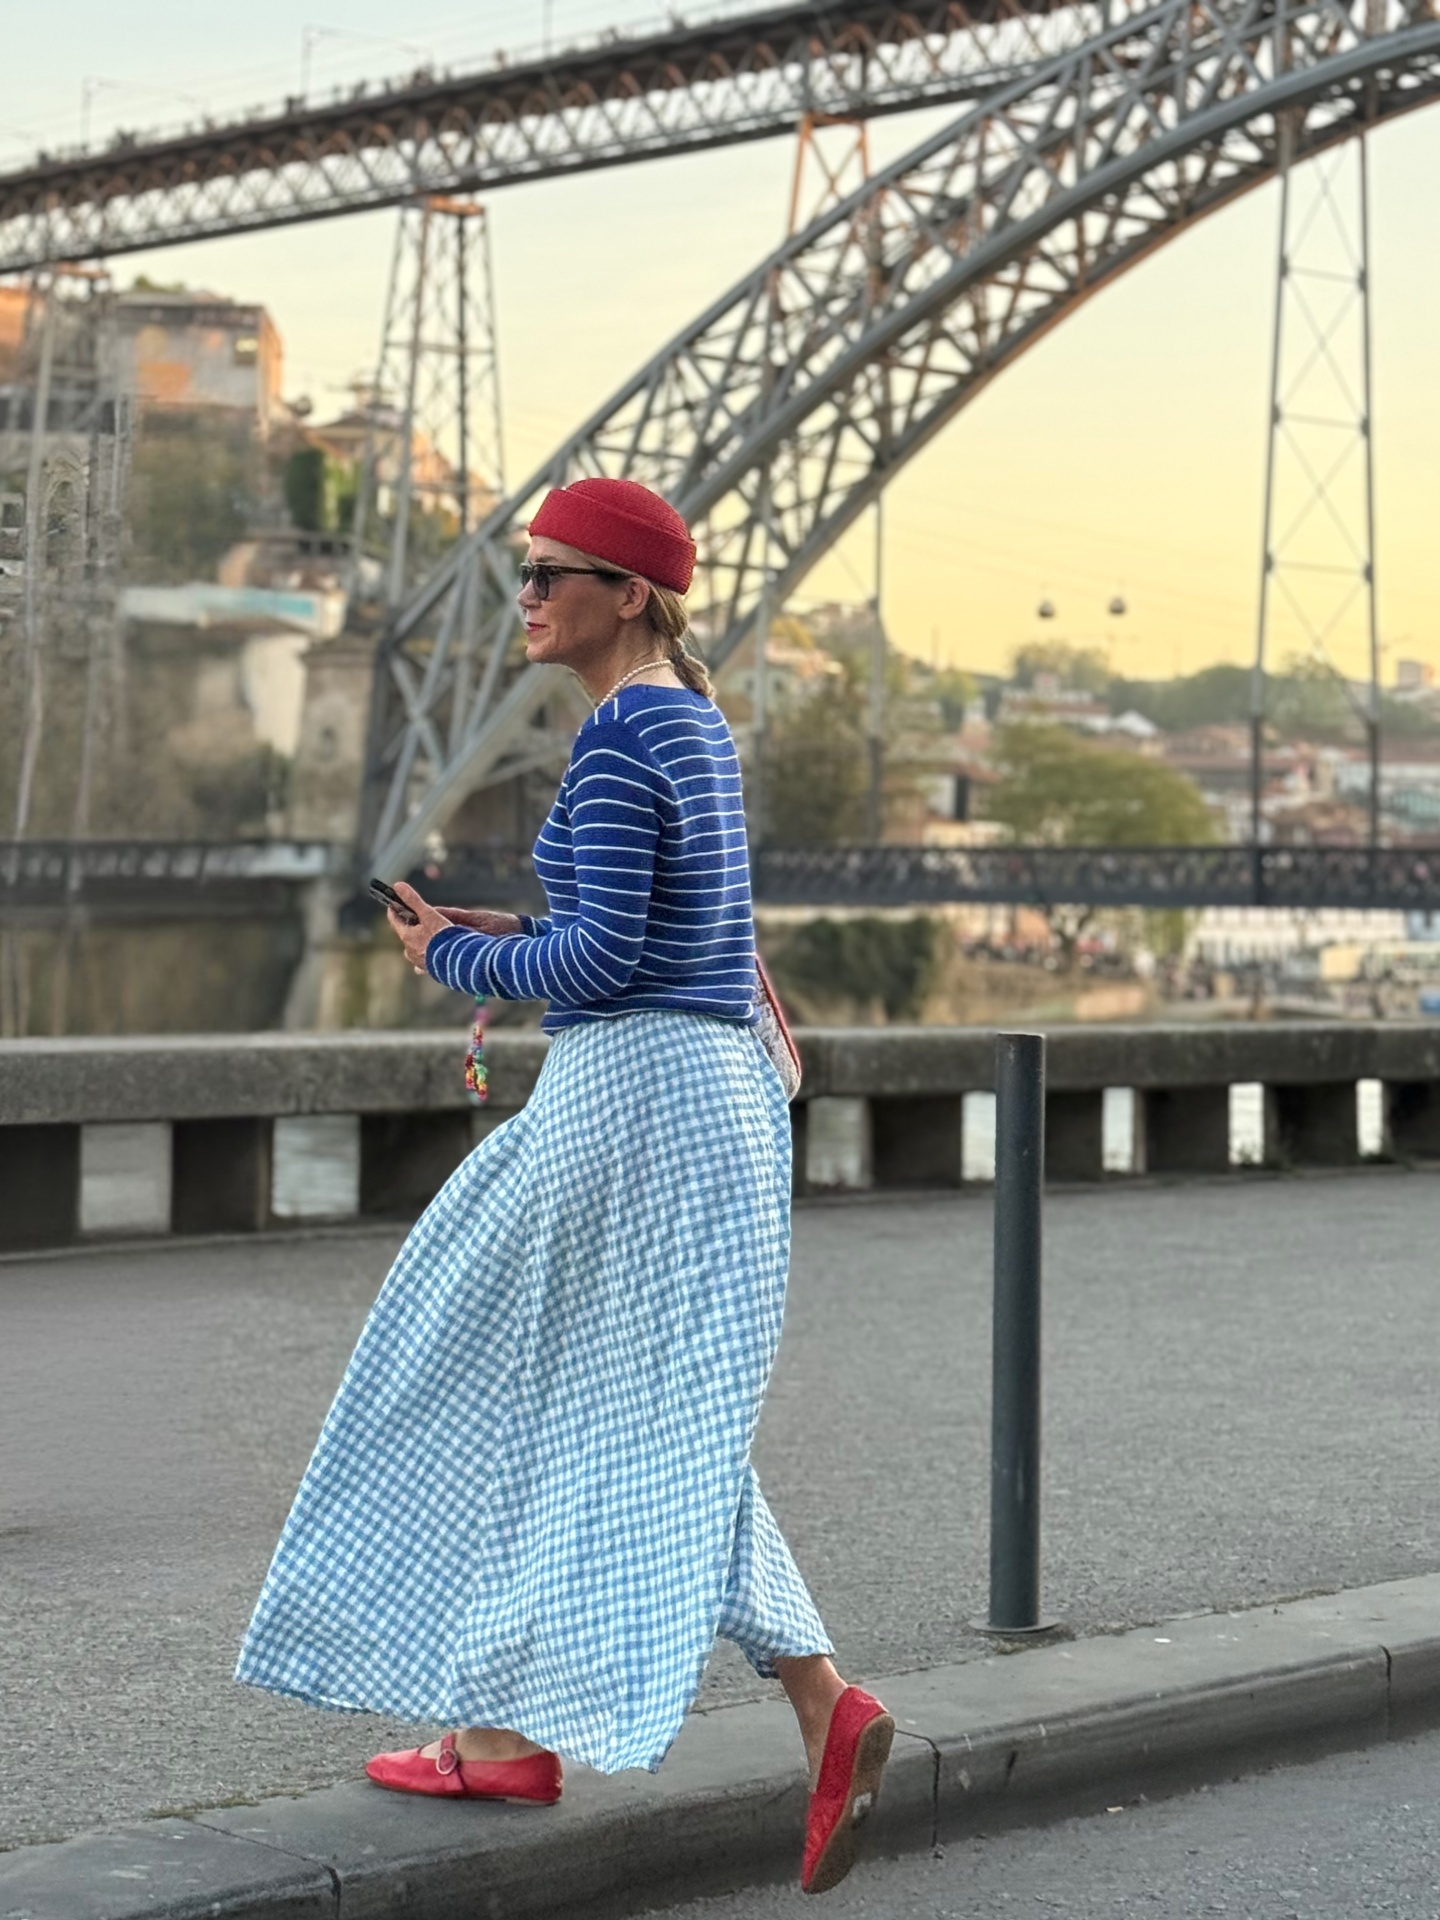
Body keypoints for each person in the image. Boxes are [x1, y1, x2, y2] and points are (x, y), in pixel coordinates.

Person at [235, 477, 893, 1896]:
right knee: (637, 1403)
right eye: (522, 575)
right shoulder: (689, 725)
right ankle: (774, 1709)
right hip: (712, 1097)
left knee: (464, 1360)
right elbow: (639, 933)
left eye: (551, 574)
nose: (525, 597)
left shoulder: (612, 740)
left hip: (633, 1100)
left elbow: (599, 974)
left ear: (631, 595)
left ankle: (513, 1727)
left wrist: (453, 963)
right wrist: (515, 925)